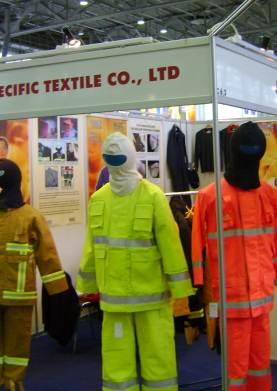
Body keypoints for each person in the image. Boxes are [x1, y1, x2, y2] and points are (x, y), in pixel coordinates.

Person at [78, 133, 193, 391]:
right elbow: (171, 245)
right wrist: (182, 292)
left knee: (118, 365)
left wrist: (86, 286)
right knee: (157, 361)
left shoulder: (101, 198)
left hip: (118, 300)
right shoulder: (151, 195)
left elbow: (90, 247)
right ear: (132, 157)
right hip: (149, 298)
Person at [192, 122, 277, 391]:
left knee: (260, 361)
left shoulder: (269, 194)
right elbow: (197, 246)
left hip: (261, 297)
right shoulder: (209, 197)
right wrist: (198, 285)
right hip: (230, 299)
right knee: (236, 367)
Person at [0, 159, 68, 391]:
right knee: (2, 339)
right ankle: (7, 377)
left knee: (2, 338)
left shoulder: (24, 216)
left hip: (2, 293)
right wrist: (59, 291)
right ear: (18, 181)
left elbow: (46, 255)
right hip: (11, 294)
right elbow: (47, 254)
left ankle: (8, 377)